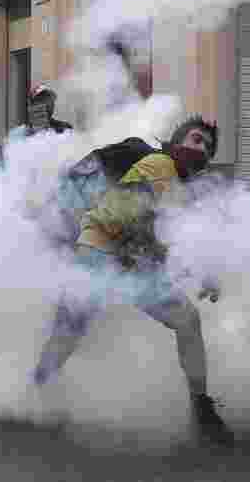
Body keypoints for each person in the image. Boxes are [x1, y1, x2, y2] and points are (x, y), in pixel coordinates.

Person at [31, 115, 229, 441]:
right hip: (98, 253)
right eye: (196, 139)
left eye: (208, 146)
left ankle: (202, 410)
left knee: (188, 321)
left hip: (131, 262)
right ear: (176, 141)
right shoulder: (160, 164)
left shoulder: (178, 186)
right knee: (69, 331)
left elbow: (170, 237)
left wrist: (199, 273)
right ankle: (36, 393)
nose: (202, 148)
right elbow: (145, 226)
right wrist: (192, 271)